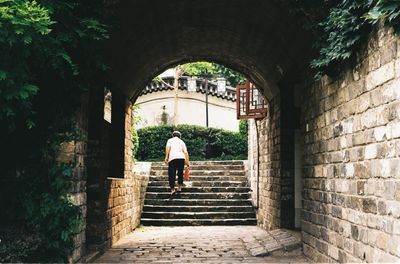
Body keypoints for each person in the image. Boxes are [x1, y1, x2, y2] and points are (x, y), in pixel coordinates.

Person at [164, 130, 190, 195]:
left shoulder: (170, 140)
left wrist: (166, 157)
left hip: (172, 158)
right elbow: (185, 152)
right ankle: (179, 187)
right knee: (180, 172)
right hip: (181, 158)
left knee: (172, 173)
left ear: (173, 136)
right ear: (180, 136)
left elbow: (168, 148)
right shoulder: (182, 142)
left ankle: (172, 189)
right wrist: (187, 162)